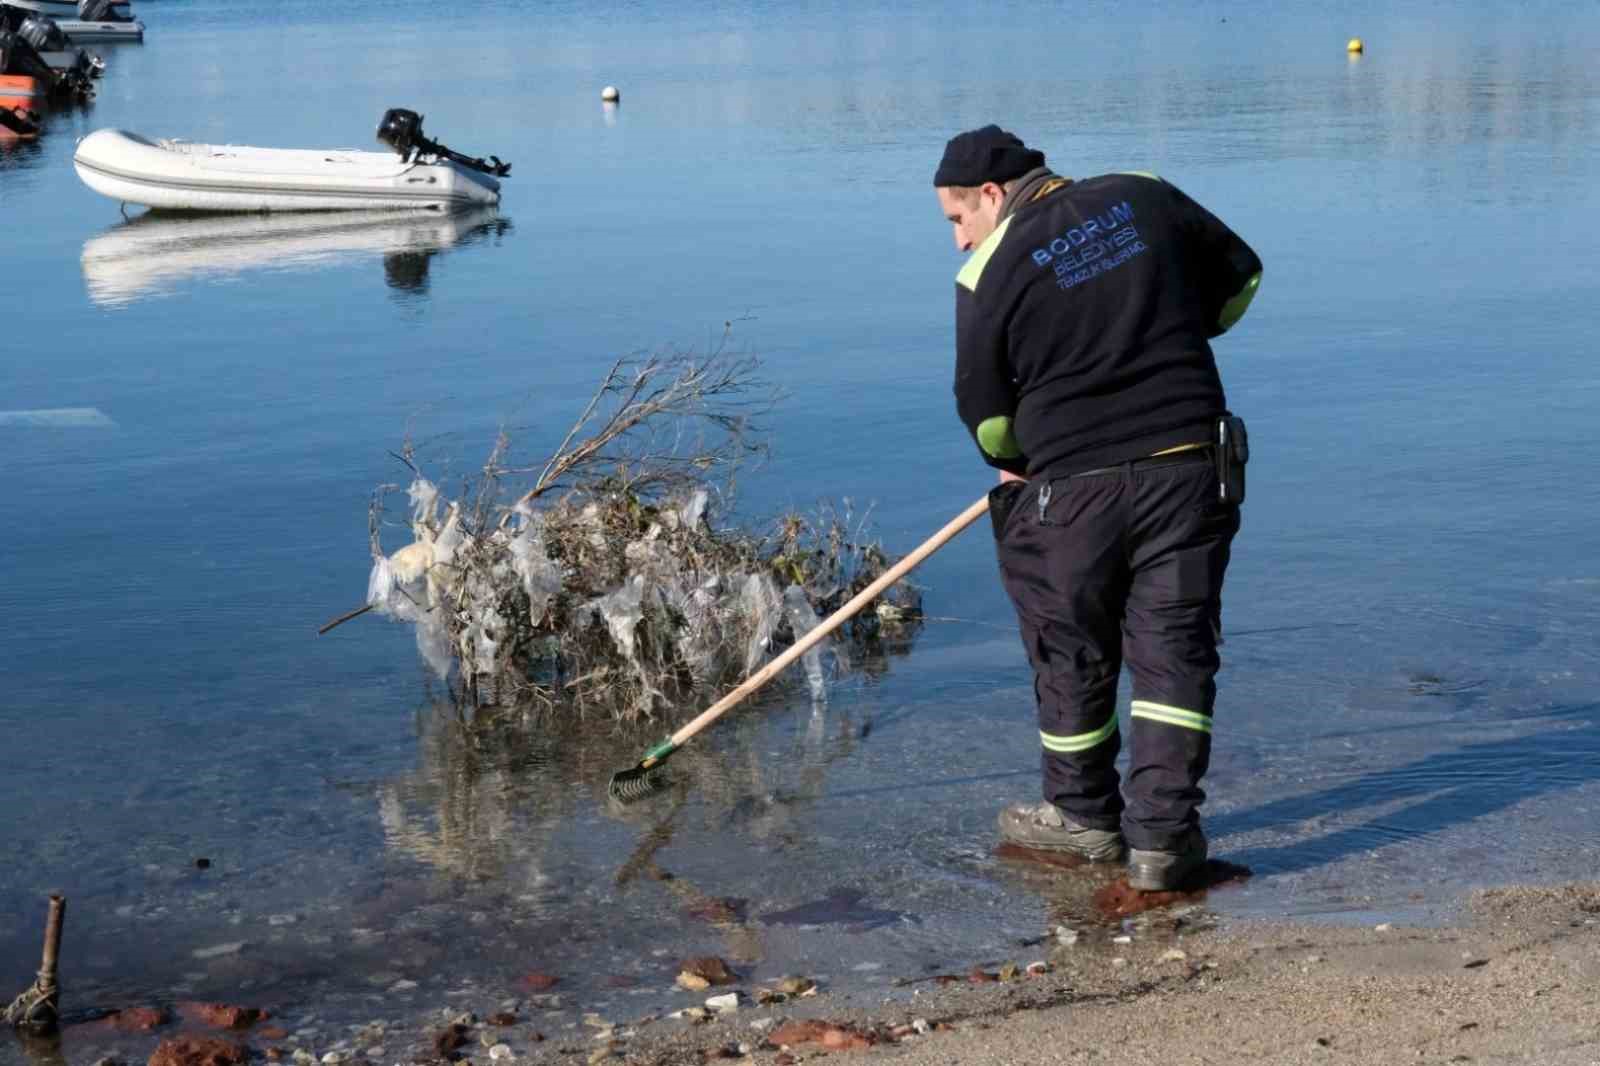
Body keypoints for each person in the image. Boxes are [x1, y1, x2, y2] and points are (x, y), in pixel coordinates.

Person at [934, 125, 1262, 891]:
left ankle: (1082, 819)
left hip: (1070, 489)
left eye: (956, 219)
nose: (957, 241)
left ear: (991, 195)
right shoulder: (1142, 192)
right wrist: (1170, 322)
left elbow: (984, 415)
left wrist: (1012, 466)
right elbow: (1240, 279)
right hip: (1188, 469)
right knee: (1174, 650)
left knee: (1070, 646)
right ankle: (1163, 843)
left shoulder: (987, 272)